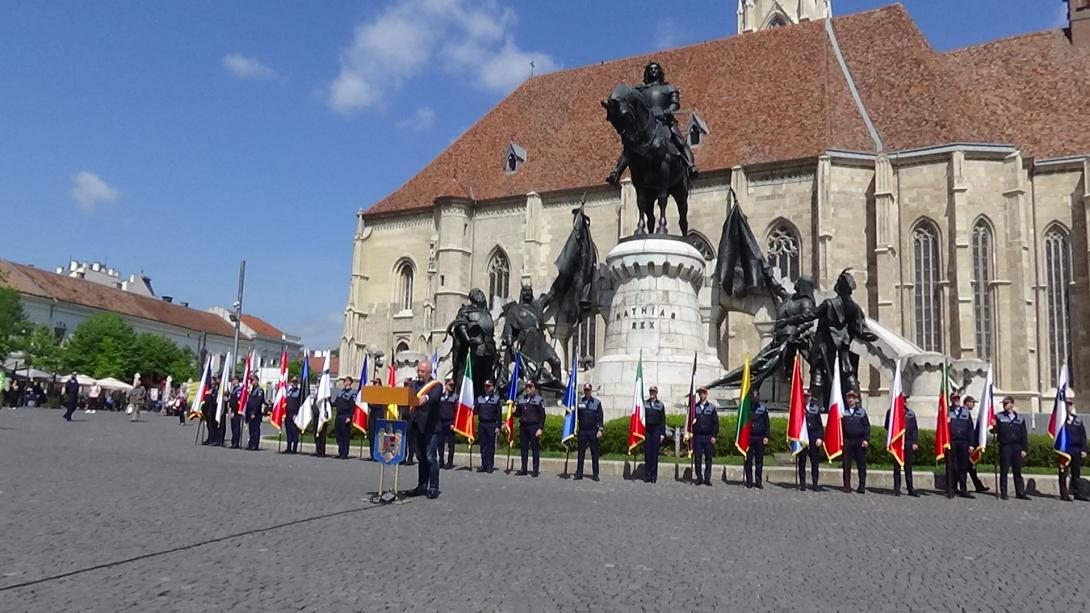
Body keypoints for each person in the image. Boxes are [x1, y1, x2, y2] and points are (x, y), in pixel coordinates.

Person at [408, 361, 443, 499]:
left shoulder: (436, 385)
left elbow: (434, 397)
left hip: (431, 427)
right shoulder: (414, 385)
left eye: (422, 371)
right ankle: (421, 485)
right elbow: (408, 396)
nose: (419, 374)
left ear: (429, 372)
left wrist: (426, 397)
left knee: (430, 458)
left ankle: (433, 487)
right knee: (421, 458)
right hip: (416, 426)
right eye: (418, 371)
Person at [994, 396, 1029, 500]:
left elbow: (1024, 435)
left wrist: (1024, 449)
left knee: (1017, 471)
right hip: (1005, 446)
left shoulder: (1020, 418)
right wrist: (993, 426)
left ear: (1012, 404)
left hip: (1017, 446)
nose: (1005, 405)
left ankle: (1020, 492)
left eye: (1007, 403)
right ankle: (1004, 492)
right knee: (1004, 470)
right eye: (1004, 404)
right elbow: (994, 431)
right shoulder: (999, 417)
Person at [887, 400, 919, 497]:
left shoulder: (911, 413)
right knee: (897, 467)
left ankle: (910, 488)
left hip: (908, 442)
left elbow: (915, 429)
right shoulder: (891, 412)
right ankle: (896, 489)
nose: (903, 402)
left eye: (904, 400)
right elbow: (887, 426)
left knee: (908, 467)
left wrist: (915, 442)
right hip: (897, 442)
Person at [960, 395, 991, 493]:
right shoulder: (963, 413)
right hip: (964, 444)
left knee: (971, 467)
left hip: (969, 445)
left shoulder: (968, 413)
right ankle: (960, 487)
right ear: (967, 402)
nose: (973, 405)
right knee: (966, 467)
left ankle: (978, 486)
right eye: (972, 403)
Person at [1059, 396, 1088, 502]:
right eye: (1067, 405)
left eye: (1070, 405)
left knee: (1076, 473)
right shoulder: (1060, 421)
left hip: (1076, 450)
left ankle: (1077, 493)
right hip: (1065, 451)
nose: (1068, 407)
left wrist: (1084, 450)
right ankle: (1064, 494)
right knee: (1063, 473)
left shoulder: (1077, 421)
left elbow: (1083, 437)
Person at [515, 380, 546, 477]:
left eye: (530, 387)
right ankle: (524, 469)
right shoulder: (521, 399)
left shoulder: (538, 400)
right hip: (523, 426)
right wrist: (513, 411)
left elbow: (542, 415)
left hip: (534, 427)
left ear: (534, 388)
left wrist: (540, 428)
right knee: (523, 449)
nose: (528, 389)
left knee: (534, 449)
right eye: (527, 387)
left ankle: (535, 470)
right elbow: (518, 413)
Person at [841, 389, 870, 493]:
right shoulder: (843, 412)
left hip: (859, 441)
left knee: (861, 465)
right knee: (846, 465)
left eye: (853, 398)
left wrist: (866, 439)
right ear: (846, 399)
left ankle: (861, 486)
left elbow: (867, 426)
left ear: (856, 399)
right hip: (847, 441)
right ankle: (847, 485)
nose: (851, 400)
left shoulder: (861, 412)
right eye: (849, 398)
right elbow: (839, 428)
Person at [574, 383, 604, 481]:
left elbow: (600, 417)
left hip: (593, 432)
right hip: (582, 431)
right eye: (585, 390)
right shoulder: (579, 402)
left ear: (591, 391)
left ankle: (595, 474)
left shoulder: (597, 403)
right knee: (581, 453)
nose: (587, 391)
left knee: (594, 454)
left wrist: (600, 429)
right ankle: (579, 473)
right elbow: (575, 416)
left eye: (588, 390)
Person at [948, 393, 975, 498]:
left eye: (958, 398)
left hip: (964, 442)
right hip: (952, 442)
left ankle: (963, 489)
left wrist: (971, 444)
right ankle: (952, 488)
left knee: (963, 466)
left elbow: (970, 429)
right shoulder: (947, 412)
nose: (957, 400)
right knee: (952, 466)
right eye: (954, 399)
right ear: (951, 400)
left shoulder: (966, 412)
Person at [691, 386, 718, 486]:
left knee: (708, 458)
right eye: (701, 393)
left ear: (707, 394)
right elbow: (690, 422)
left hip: (708, 436)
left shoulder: (711, 407)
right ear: (699, 395)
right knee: (697, 458)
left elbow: (715, 423)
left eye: (704, 393)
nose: (702, 395)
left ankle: (707, 478)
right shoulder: (694, 407)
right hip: (697, 437)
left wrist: (714, 436)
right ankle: (699, 477)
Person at [798, 390, 824, 491]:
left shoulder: (815, 409)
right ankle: (802, 483)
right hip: (803, 436)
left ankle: (815, 483)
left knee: (815, 462)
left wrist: (820, 438)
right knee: (802, 462)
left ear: (810, 397)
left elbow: (820, 426)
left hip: (813, 436)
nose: (806, 398)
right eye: (804, 396)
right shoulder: (799, 409)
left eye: (807, 396)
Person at [743, 390, 770, 489]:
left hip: (759, 437)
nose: (754, 398)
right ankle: (749, 481)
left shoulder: (763, 408)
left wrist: (766, 436)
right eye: (753, 396)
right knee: (748, 460)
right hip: (749, 437)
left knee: (759, 461)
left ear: (758, 397)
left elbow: (767, 424)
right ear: (750, 397)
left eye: (756, 396)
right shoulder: (746, 407)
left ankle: (758, 481)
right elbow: (743, 424)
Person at [474, 380, 502, 473]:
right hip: (482, 424)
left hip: (491, 424)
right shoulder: (479, 398)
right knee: (483, 446)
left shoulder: (496, 399)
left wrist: (498, 426)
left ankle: (490, 465)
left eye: (488, 386)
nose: (486, 388)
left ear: (492, 387)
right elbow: (475, 411)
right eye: (485, 386)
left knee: (490, 446)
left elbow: (499, 414)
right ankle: (484, 465)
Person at [643, 385, 666, 483]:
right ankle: (647, 475)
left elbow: (662, 420)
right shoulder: (644, 404)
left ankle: (653, 475)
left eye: (654, 392)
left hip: (656, 430)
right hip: (647, 430)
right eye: (651, 392)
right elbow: (641, 418)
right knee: (648, 454)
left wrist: (662, 433)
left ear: (656, 393)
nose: (652, 393)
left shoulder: (660, 405)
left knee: (655, 454)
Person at [332, 376, 355, 458]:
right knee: (338, 435)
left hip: (345, 416)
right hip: (338, 416)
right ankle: (340, 452)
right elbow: (335, 403)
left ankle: (345, 453)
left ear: (349, 382)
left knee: (345, 435)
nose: (344, 382)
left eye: (345, 381)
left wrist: (349, 417)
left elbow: (352, 407)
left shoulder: (352, 393)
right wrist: (327, 402)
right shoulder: (341, 392)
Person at [438, 379, 457, 469]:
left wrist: (454, 423)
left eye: (452, 385)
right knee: (440, 443)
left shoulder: (455, 397)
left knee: (451, 444)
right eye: (450, 385)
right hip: (441, 423)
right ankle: (441, 461)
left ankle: (450, 462)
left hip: (450, 423)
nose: (451, 387)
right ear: (445, 385)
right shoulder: (440, 396)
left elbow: (456, 412)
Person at [244, 375, 265, 450]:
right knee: (251, 429)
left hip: (256, 413)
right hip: (250, 412)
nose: (251, 382)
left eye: (252, 380)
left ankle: (255, 445)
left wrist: (254, 413)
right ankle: (251, 444)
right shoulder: (252, 390)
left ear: (256, 380)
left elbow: (258, 403)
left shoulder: (259, 390)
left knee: (255, 429)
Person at [284, 376, 302, 454]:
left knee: (294, 432)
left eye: (295, 382)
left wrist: (298, 414)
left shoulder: (299, 392)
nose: (294, 383)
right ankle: (288, 447)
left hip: (295, 414)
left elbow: (301, 404)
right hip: (287, 414)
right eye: (293, 382)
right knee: (288, 432)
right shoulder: (288, 392)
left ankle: (294, 449)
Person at [366, 377, 382, 460]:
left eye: (375, 383)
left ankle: (378, 455)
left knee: (378, 435)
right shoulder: (372, 392)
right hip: (372, 414)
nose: (374, 385)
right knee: (371, 434)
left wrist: (372, 404)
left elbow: (381, 404)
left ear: (379, 384)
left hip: (379, 414)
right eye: (373, 383)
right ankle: (372, 454)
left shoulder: (382, 392)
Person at [202, 376, 220, 445]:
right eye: (211, 380)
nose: (211, 382)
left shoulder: (216, 389)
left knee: (213, 425)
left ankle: (213, 439)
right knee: (209, 426)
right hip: (207, 409)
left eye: (213, 380)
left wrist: (211, 393)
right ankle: (209, 438)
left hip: (213, 409)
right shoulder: (208, 388)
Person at [227, 376, 244, 448]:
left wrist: (234, 411)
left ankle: (236, 443)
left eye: (233, 380)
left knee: (236, 427)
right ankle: (233, 441)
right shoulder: (234, 389)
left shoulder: (239, 390)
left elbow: (237, 402)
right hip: (233, 410)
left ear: (237, 380)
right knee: (233, 427)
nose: (232, 381)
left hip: (237, 411)